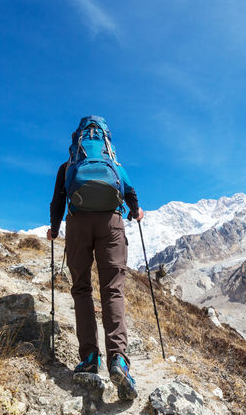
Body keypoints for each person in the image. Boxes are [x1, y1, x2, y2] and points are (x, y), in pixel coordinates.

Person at [47, 116, 144, 401]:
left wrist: (54, 229)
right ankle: (120, 361)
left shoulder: (69, 166)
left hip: (78, 224)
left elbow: (57, 201)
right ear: (105, 138)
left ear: (77, 139)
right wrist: (135, 211)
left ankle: (90, 357)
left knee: (81, 289)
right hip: (111, 224)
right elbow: (130, 192)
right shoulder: (112, 162)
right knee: (113, 290)